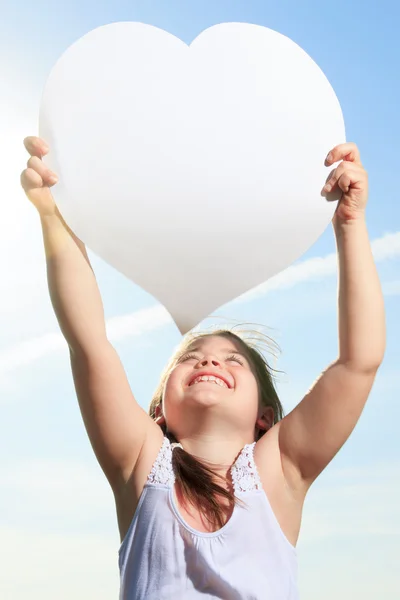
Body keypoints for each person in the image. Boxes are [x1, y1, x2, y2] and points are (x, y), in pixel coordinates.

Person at [20, 136, 385, 600]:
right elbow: (88, 341)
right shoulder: (143, 461)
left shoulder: (279, 468)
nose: (210, 359)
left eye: (234, 360)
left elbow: (359, 362)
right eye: (189, 358)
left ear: (265, 417)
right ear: (158, 414)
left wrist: (350, 224)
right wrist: (54, 213)